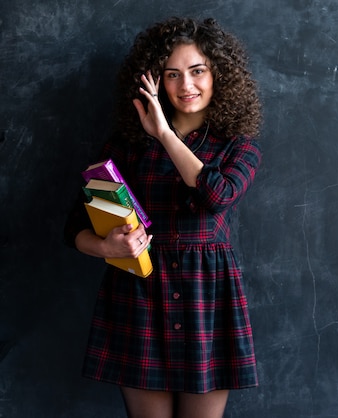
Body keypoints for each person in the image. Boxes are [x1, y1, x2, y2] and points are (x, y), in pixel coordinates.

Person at [63, 16, 262, 418]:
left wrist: (165, 135)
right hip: (139, 295)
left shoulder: (239, 147)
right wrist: (106, 246)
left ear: (218, 74)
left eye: (197, 71)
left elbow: (216, 195)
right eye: (172, 74)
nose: (186, 86)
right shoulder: (127, 146)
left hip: (208, 301)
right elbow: (73, 229)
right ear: (154, 81)